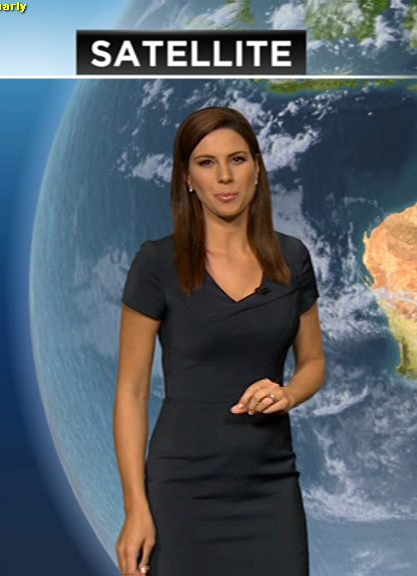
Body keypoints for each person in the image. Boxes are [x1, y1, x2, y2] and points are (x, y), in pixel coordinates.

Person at [113, 107, 326, 575]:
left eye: (237, 159)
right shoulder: (157, 264)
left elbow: (313, 362)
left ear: (257, 169)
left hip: (271, 486)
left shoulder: (292, 258)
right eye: (206, 163)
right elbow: (131, 392)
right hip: (181, 491)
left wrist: (288, 393)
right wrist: (136, 507)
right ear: (188, 178)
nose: (225, 176)